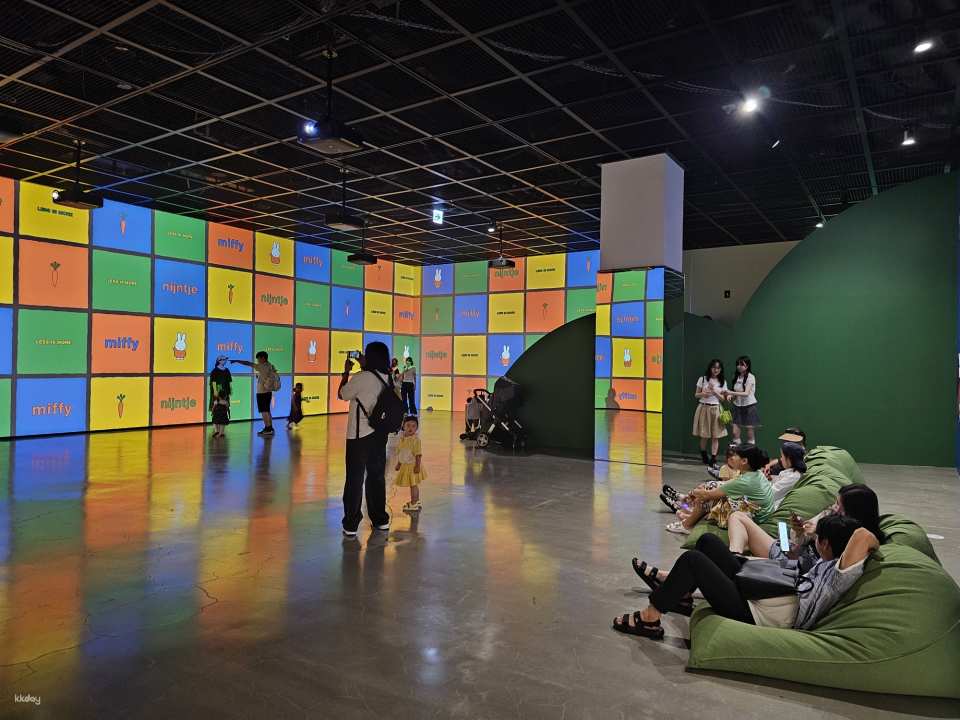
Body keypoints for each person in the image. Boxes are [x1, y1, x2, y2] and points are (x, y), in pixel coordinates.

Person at [615, 515, 878, 638]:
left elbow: (863, 535)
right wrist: (804, 533)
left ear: (828, 543)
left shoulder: (837, 575)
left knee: (693, 559)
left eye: (838, 507)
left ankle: (650, 618)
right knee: (707, 541)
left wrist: (816, 528)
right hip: (770, 582)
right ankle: (681, 595)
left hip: (760, 608)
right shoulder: (828, 559)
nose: (833, 507)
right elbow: (796, 555)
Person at [727, 483, 885, 569]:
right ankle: (735, 554)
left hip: (791, 564)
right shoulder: (829, 514)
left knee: (737, 526)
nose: (834, 508)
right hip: (790, 548)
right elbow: (799, 540)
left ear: (853, 513)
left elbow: (827, 567)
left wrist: (816, 534)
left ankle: (735, 557)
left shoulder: (854, 540)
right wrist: (799, 530)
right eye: (835, 503)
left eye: (839, 506)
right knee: (739, 517)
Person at [338, 341, 393, 537]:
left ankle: (351, 524)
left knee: (354, 478)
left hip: (359, 436)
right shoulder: (387, 377)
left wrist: (346, 372)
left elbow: (342, 394)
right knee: (376, 477)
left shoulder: (362, 377)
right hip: (379, 436)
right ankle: (380, 519)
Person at [666, 444, 774, 535]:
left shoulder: (744, 481)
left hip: (754, 519)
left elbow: (707, 495)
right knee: (710, 487)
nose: (732, 458)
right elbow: (726, 484)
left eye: (735, 455)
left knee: (706, 498)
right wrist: (705, 487)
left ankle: (687, 524)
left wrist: (694, 492)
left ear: (744, 461)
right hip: (759, 513)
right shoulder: (756, 473)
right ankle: (689, 513)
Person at [661, 445, 740, 513]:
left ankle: (680, 506)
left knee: (701, 503)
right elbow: (724, 485)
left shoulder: (739, 471)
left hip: (728, 499)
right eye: (730, 458)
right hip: (725, 493)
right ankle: (682, 497)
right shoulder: (728, 469)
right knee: (703, 492)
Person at [232, 351, 279, 436]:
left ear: (263, 358)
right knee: (267, 410)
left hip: (262, 392)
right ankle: (270, 428)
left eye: (258, 359)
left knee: (264, 411)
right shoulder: (270, 365)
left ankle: (268, 428)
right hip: (268, 392)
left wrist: (237, 361)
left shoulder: (262, 366)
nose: (258, 361)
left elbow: (248, 363)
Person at [692, 359, 727, 467]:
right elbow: (696, 395)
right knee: (704, 435)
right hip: (704, 408)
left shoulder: (722, 382)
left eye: (718, 368)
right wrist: (704, 394)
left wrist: (714, 391)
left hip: (716, 409)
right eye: (714, 367)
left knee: (716, 436)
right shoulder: (702, 379)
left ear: (721, 369)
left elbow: (723, 399)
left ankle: (713, 458)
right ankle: (704, 455)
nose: (716, 370)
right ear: (710, 368)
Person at [394, 416, 426, 512]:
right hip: (406, 466)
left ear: (417, 428)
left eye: (413, 426)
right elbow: (402, 453)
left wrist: (417, 466)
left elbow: (418, 455)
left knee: (413, 485)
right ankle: (416, 501)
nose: (410, 428)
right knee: (413, 485)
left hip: (412, 466)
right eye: (408, 425)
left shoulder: (415, 440)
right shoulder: (402, 438)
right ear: (403, 426)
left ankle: (414, 503)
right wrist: (399, 464)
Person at [726, 356, 760, 445]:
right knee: (735, 432)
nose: (739, 366)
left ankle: (750, 451)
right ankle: (737, 451)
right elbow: (736, 391)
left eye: (742, 364)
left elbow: (746, 393)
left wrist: (730, 392)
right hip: (737, 406)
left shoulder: (751, 377)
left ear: (747, 366)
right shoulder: (736, 376)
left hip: (749, 406)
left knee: (750, 432)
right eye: (738, 364)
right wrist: (730, 395)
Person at [770, 441, 806, 508]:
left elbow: (771, 494)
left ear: (789, 459)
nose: (781, 459)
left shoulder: (793, 476)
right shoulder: (791, 472)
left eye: (782, 456)